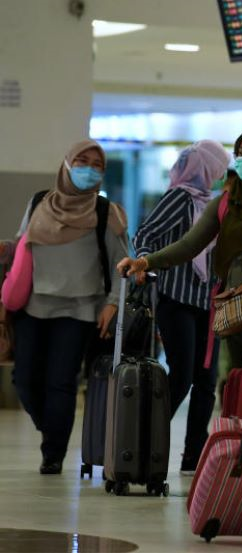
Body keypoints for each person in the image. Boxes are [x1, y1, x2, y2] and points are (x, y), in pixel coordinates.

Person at [118, 128, 242, 370]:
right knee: (236, 380)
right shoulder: (226, 203)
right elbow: (189, 245)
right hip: (236, 311)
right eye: (241, 153)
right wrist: (145, 261)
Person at [7, 140, 128, 474]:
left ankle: (53, 453)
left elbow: (122, 265)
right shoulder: (39, 202)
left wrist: (112, 304)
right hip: (33, 305)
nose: (89, 169)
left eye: (97, 164)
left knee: (60, 382)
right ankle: (52, 431)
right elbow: (22, 245)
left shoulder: (105, 212)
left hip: (80, 310)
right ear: (67, 164)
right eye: (82, 161)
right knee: (24, 380)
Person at [132, 140, 230, 474]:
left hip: (208, 301)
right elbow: (145, 232)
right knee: (182, 376)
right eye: (219, 167)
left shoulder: (214, 204)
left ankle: (193, 456)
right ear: (206, 167)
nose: (222, 173)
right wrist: (144, 261)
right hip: (176, 299)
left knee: (206, 381)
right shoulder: (180, 197)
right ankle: (145, 442)